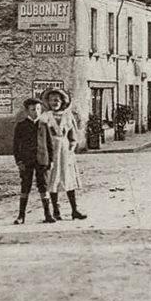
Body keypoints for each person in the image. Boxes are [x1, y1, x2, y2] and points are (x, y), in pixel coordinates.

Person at [41, 88, 87, 220]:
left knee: (68, 178)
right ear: (48, 103)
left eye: (57, 100)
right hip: (51, 151)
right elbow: (42, 136)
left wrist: (71, 148)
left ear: (62, 101)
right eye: (51, 100)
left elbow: (73, 137)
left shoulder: (68, 116)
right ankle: (56, 210)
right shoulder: (45, 117)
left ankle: (74, 210)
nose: (54, 102)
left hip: (65, 151)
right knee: (53, 179)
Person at [12, 97, 55, 224]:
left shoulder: (44, 125)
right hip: (26, 161)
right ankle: (21, 216)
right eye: (33, 109)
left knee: (44, 186)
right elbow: (16, 146)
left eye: (38, 109)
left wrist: (51, 160)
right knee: (25, 186)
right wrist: (19, 161)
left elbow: (49, 144)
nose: (36, 112)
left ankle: (48, 214)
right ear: (27, 111)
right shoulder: (21, 126)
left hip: (42, 160)